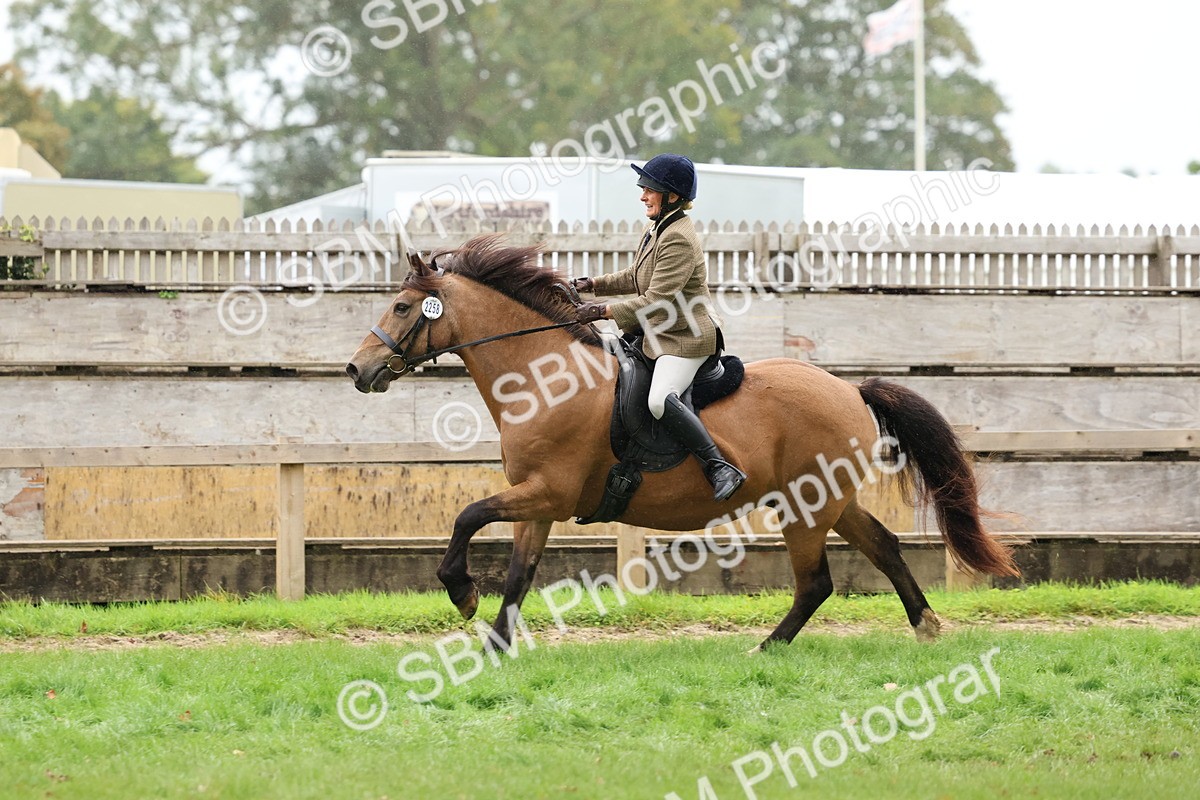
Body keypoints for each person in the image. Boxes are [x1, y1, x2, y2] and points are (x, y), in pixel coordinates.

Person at [572, 154, 746, 502]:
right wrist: (589, 284)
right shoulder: (657, 228)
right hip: (659, 331)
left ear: (672, 195)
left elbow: (655, 300)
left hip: (686, 337)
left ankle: (719, 466)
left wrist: (602, 310)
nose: (642, 195)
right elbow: (635, 277)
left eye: (649, 189)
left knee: (658, 401)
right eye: (644, 188)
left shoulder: (678, 237)